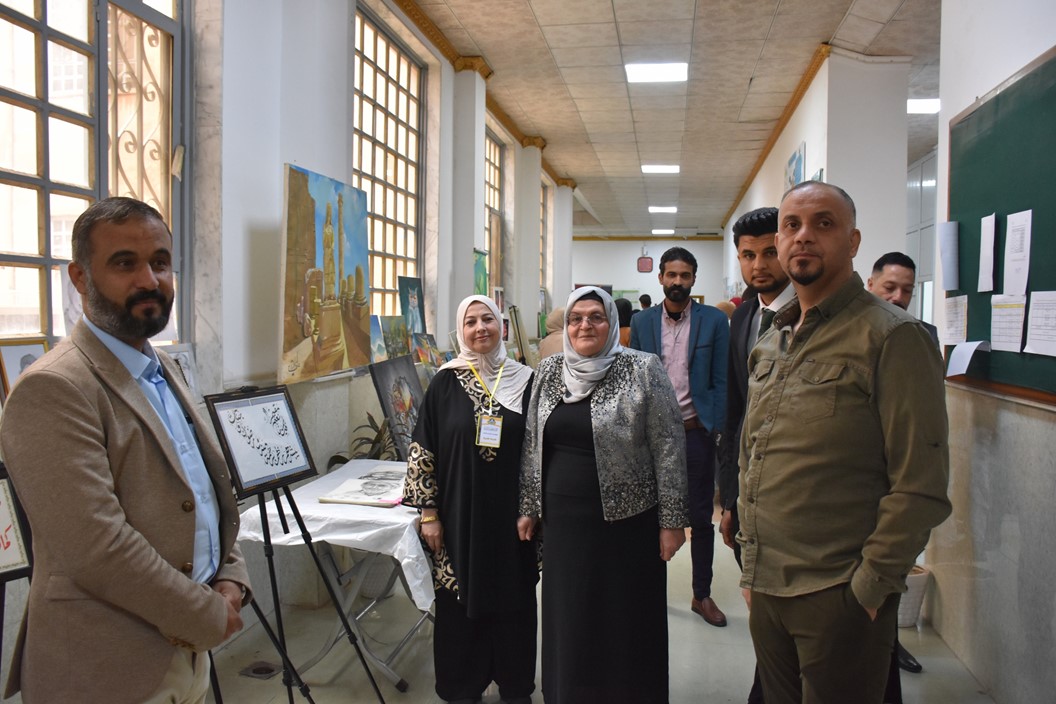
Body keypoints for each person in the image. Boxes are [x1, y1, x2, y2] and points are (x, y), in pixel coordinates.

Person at [0, 197, 250, 704]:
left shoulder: (164, 368)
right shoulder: (53, 388)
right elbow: (97, 547)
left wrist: (230, 574)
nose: (149, 280)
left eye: (160, 262)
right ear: (79, 277)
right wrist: (205, 615)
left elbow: (202, 492)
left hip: (188, 650)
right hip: (106, 664)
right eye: (124, 263)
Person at [738, 181, 951, 704]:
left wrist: (870, 588)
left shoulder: (892, 336)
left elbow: (920, 483)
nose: (803, 236)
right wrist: (750, 567)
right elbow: (752, 455)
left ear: (853, 241)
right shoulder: (772, 340)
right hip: (767, 584)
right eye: (791, 225)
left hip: (837, 590)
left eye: (824, 224)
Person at [519, 286, 688, 704]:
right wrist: (529, 506)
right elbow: (531, 441)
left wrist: (672, 521)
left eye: (596, 316)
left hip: (628, 525)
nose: (585, 325)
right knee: (571, 616)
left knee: (623, 619)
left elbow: (669, 445)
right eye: (576, 318)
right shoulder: (549, 370)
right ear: (566, 326)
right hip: (564, 525)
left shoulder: (643, 368)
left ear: (611, 322)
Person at [403, 295, 538, 704]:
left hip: (513, 520)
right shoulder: (444, 383)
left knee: (514, 600)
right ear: (460, 331)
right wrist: (429, 513)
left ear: (501, 327)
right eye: (471, 322)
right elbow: (422, 450)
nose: (480, 328)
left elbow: (539, 452)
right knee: (458, 601)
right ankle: (462, 686)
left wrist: (531, 507)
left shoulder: (526, 381)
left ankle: (514, 684)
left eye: (488, 320)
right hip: (458, 517)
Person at [630, 246, 730, 627]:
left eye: (684, 276)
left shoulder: (714, 321)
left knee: (701, 518)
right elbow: (633, 379)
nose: (677, 282)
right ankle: (648, 594)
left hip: (695, 434)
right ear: (660, 278)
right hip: (651, 438)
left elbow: (721, 379)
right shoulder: (642, 322)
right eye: (671, 275)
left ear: (693, 279)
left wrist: (714, 427)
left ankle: (701, 595)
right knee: (649, 516)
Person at [868, 251, 940, 346]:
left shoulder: (925, 334)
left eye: (907, 290)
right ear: (871, 284)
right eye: (889, 288)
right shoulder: (852, 327)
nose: (898, 297)